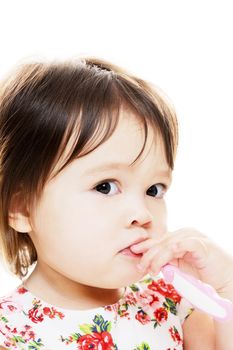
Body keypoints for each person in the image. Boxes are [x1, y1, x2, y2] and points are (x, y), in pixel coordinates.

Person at [0, 57, 232, 350]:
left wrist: (227, 286)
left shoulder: (175, 304)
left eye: (154, 189)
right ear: (21, 208)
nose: (142, 214)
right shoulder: (10, 334)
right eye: (105, 186)